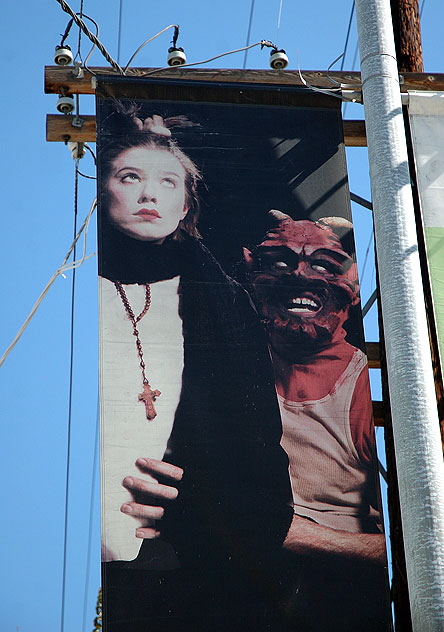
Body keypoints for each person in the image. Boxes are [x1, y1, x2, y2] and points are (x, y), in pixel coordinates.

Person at [97, 104, 294, 631]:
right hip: (73, 549)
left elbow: (257, 450)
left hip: (186, 566)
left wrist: (195, 504)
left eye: (167, 182)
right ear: (102, 190)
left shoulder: (223, 306)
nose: (147, 195)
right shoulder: (70, 292)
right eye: (129, 177)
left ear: (186, 205)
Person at [242, 211, 392, 631]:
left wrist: (300, 536)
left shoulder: (365, 392)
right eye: (280, 262)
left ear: (354, 287)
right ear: (252, 273)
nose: (300, 276)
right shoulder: (228, 369)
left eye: (324, 265)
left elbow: (420, 543)